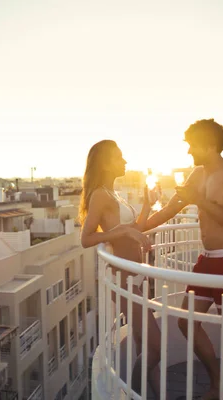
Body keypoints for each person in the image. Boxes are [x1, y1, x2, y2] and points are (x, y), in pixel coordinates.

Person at [146, 119, 223, 400]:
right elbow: (171, 208)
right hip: (206, 260)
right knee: (187, 322)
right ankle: (217, 385)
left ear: (209, 145)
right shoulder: (197, 174)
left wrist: (200, 200)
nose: (189, 152)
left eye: (193, 146)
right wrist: (134, 229)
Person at [79, 139, 163, 398]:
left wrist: (148, 204)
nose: (125, 161)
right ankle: (137, 394)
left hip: (135, 275)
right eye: (120, 157)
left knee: (143, 344)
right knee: (155, 346)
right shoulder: (100, 196)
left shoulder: (113, 193)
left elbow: (135, 229)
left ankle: (153, 394)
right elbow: (86, 238)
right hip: (125, 280)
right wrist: (121, 230)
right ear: (106, 163)